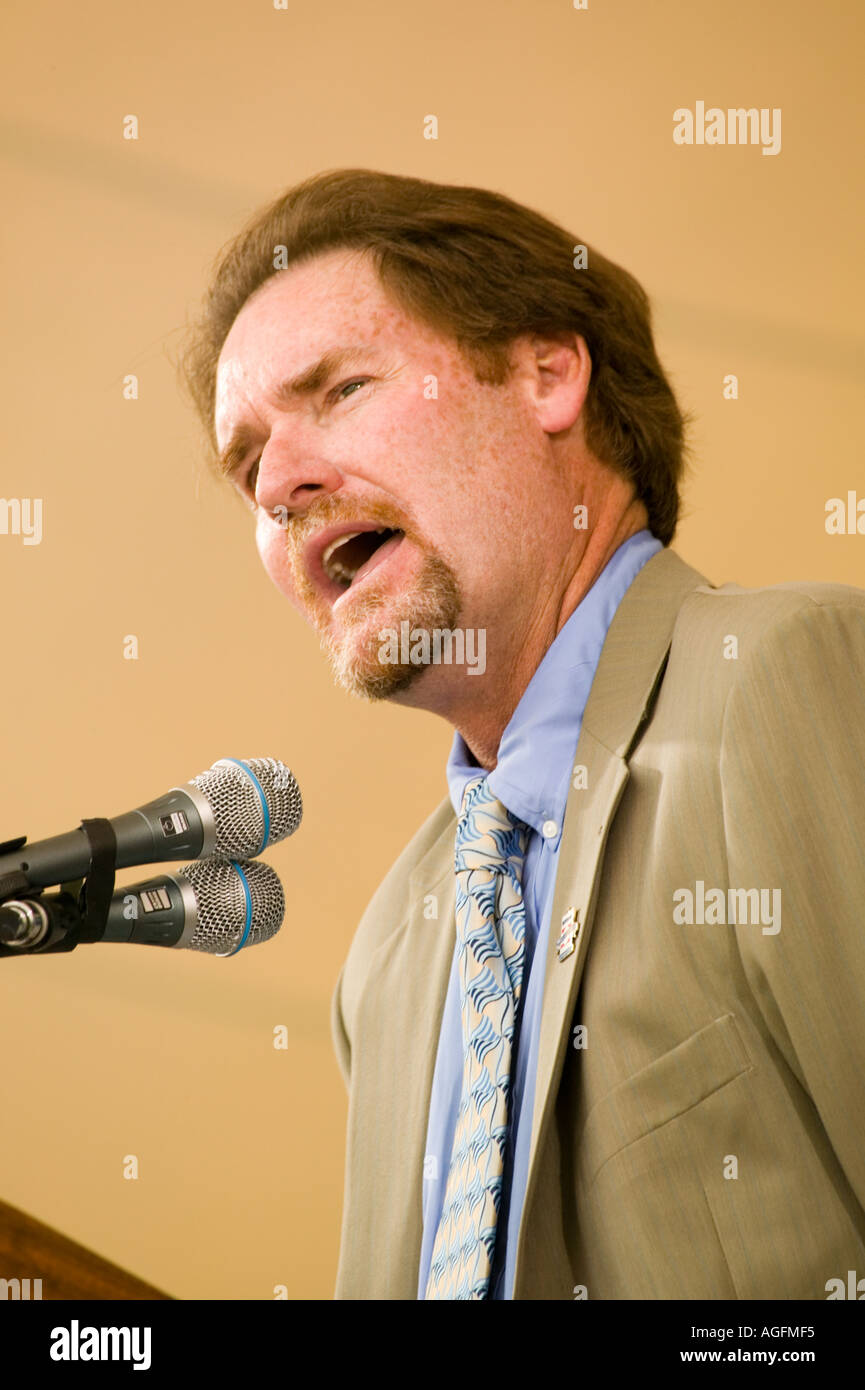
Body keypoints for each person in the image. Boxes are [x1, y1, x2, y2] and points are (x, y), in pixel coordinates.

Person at [181, 169, 865, 1300]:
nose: (281, 486)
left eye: (341, 389)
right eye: (248, 462)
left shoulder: (787, 676)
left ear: (548, 374)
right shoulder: (387, 956)